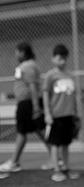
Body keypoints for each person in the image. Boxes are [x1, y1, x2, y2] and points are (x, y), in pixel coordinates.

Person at [0, 42, 52, 174]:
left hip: (28, 104)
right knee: (39, 130)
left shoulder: (28, 66)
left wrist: (35, 107)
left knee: (22, 132)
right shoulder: (26, 66)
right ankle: (56, 157)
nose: (15, 55)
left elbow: (33, 87)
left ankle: (14, 162)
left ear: (23, 52)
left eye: (17, 52)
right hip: (27, 103)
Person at [42, 44, 81, 182]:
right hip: (55, 115)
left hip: (68, 114)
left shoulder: (70, 75)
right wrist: (47, 113)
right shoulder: (50, 75)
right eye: (59, 58)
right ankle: (57, 170)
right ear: (53, 59)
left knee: (65, 143)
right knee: (55, 143)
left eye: (64, 58)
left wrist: (76, 112)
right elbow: (46, 95)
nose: (62, 61)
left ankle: (65, 167)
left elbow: (73, 96)